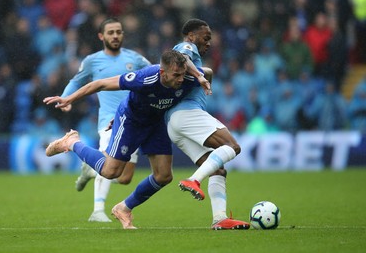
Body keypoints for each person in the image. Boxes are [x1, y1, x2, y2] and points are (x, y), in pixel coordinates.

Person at [43, 50, 211, 229]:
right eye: (176, 75)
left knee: (163, 176)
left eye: (183, 74)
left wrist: (198, 78)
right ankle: (71, 142)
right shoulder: (145, 77)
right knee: (111, 172)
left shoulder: (188, 78)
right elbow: (100, 84)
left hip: (155, 123)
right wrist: (69, 98)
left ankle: (123, 208)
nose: (180, 79)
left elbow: (207, 72)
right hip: (131, 121)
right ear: (163, 72)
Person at [58, 17, 151, 222]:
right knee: (109, 162)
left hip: (134, 119)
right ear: (101, 36)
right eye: (111, 32)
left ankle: (92, 170)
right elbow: (77, 81)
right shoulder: (92, 61)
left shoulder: (135, 58)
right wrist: (66, 99)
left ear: (123, 34)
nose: (115, 35)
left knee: (125, 178)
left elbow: (155, 75)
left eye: (118, 32)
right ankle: (97, 211)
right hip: (109, 120)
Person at [166, 19, 250, 230]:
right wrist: (200, 76)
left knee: (217, 171)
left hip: (174, 125)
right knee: (232, 146)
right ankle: (193, 180)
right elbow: (183, 57)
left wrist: (205, 73)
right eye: (206, 37)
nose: (209, 43)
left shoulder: (193, 65)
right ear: (192, 36)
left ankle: (219, 219)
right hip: (187, 114)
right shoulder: (187, 46)